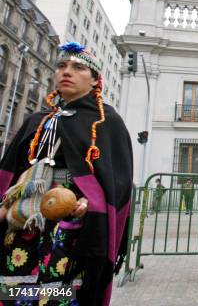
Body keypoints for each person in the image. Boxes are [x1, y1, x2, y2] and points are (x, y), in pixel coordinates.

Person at [0, 42, 133, 305]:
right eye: (62, 66)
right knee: (13, 291)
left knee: (58, 295)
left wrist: (89, 202)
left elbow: (115, 181)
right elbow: (11, 171)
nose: (66, 72)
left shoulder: (106, 122)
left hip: (70, 229)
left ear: (95, 80)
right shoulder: (37, 119)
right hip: (22, 223)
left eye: (78, 67)